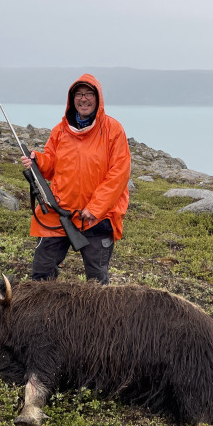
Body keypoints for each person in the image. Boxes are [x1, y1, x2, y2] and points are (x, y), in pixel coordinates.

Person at [19, 73, 131, 284]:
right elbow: (51, 166)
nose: (83, 99)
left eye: (89, 94)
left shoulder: (113, 130)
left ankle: (96, 309)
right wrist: (37, 160)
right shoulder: (60, 130)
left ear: (98, 98)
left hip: (97, 217)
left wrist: (95, 208)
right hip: (60, 213)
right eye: (79, 94)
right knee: (41, 274)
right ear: (72, 99)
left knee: (97, 281)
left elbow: (119, 173)